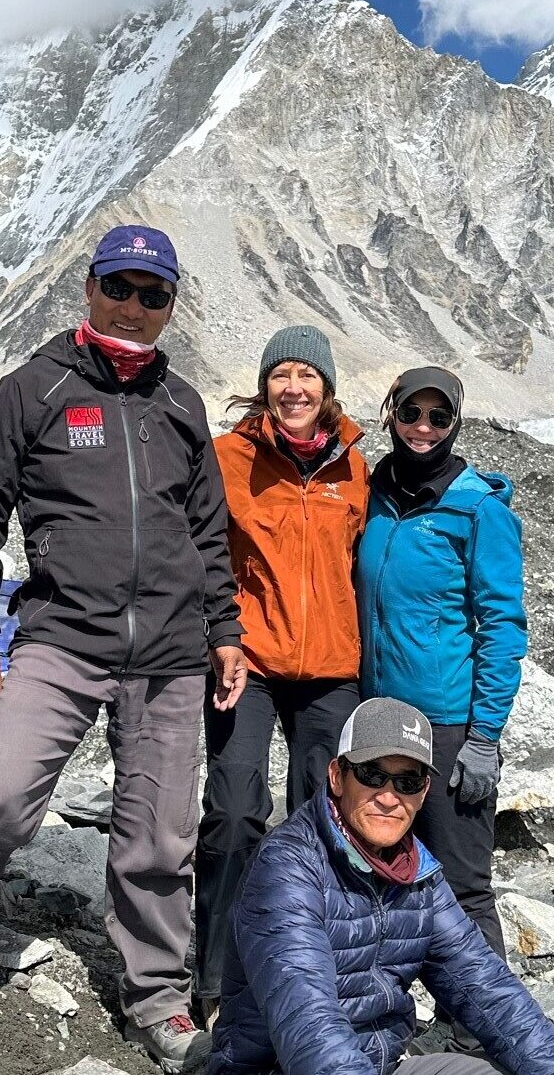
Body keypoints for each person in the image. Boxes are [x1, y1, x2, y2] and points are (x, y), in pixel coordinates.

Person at [0, 224, 246, 1074]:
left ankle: (157, 998)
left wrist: (225, 633)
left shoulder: (182, 406)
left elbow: (210, 534)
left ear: (171, 306)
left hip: (174, 652)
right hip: (62, 637)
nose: (135, 307)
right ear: (90, 288)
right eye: (120, 287)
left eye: (154, 295)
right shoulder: (34, 389)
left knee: (158, 840)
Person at [208, 698, 554, 1075]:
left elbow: (489, 991)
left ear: (423, 792)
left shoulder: (419, 873)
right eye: (371, 775)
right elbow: (308, 1024)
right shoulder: (287, 867)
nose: (388, 798)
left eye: (407, 782)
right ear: (337, 776)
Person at [194, 325, 369, 1019]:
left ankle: (309, 974)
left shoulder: (355, 466)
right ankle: (216, 978)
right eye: (280, 375)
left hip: (330, 667)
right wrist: (219, 634)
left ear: (326, 389)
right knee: (235, 811)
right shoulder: (229, 457)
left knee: (323, 820)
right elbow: (204, 550)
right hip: (251, 660)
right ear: (264, 386)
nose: (293, 388)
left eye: (306, 376)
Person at [354, 367, 527, 1055]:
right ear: (390, 413)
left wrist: (484, 736)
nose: (422, 428)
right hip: (378, 719)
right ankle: (378, 1016)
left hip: (449, 725)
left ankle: (485, 1033)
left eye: (438, 418)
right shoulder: (375, 493)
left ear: (456, 425)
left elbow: (503, 625)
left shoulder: (478, 511)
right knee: (377, 874)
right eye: (411, 413)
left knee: (459, 884)